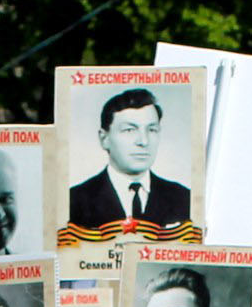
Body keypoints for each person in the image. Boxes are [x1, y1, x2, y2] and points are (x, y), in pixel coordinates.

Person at [66, 88, 193, 228]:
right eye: (129, 130)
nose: (143, 141)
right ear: (104, 138)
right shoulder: (73, 202)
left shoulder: (184, 199)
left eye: (152, 130)